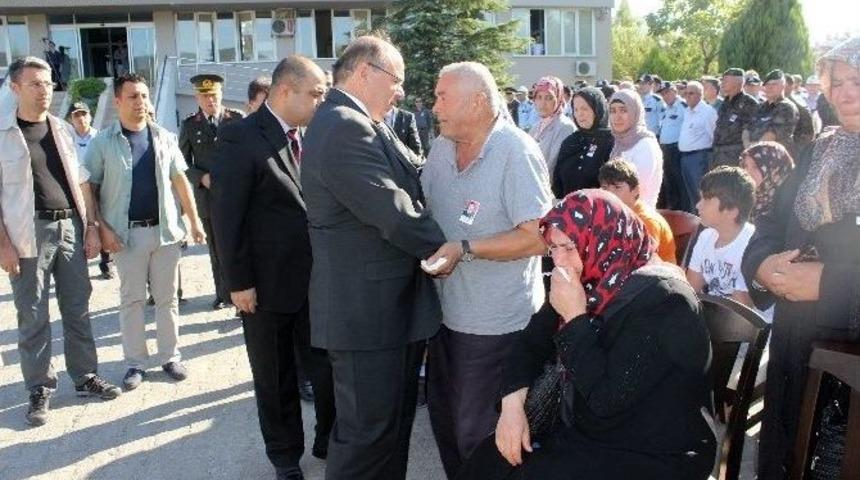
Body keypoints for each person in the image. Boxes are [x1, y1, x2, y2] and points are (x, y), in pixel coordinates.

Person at [456, 189, 716, 480]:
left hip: (650, 449)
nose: (559, 260)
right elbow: (528, 344)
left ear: (603, 240)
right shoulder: (593, 279)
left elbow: (606, 400)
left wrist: (575, 317)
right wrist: (512, 407)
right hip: (589, 429)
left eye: (568, 247)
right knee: (487, 461)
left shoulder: (666, 301)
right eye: (552, 248)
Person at [301, 36, 448, 480]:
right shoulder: (344, 123)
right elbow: (395, 213)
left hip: (384, 312)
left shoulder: (361, 119)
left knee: (390, 433)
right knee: (367, 439)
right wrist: (450, 248)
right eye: (396, 80)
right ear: (365, 71)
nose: (400, 91)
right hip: (366, 317)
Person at [420, 62, 552, 478]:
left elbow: (539, 237)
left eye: (443, 96)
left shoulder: (516, 151)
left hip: (496, 326)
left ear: (477, 101)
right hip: (442, 316)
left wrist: (466, 248)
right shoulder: (441, 146)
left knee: (478, 435)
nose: (434, 104)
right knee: (444, 421)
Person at [741, 37, 860, 480]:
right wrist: (761, 265)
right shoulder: (818, 149)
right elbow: (771, 222)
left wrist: (829, 286)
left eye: (857, 80)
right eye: (838, 81)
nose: (847, 92)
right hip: (795, 350)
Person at [211, 56, 334, 480]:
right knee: (276, 375)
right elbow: (226, 218)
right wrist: (238, 283)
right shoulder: (239, 137)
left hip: (313, 282)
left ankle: (326, 439)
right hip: (263, 287)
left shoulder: (308, 137)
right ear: (286, 91)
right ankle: (285, 457)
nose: (321, 101)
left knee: (324, 367)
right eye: (315, 93)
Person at [1, 57, 121, 426]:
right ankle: (39, 387)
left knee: (78, 307)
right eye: (35, 84)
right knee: (33, 313)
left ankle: (85, 376)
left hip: (70, 225)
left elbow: (81, 181)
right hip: (27, 233)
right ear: (15, 88)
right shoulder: (3, 134)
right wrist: (3, 244)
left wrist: (92, 227)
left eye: (49, 83)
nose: (45, 91)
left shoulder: (62, 129)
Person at [84, 73, 206, 391]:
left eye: (144, 95)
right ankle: (136, 363)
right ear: (118, 101)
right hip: (126, 237)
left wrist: (194, 222)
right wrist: (99, 229)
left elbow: (180, 181)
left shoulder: (164, 137)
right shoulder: (101, 143)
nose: (141, 102)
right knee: (132, 301)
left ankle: (170, 356)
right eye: (133, 96)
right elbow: (90, 190)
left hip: (165, 233)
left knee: (168, 299)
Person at [178, 74, 244, 311]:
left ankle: (242, 293)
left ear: (221, 95)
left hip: (237, 196)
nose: (210, 101)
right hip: (208, 197)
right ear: (197, 97)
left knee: (239, 245)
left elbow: (247, 155)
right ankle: (223, 294)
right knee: (216, 248)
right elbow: (182, 163)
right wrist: (200, 177)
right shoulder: (189, 124)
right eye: (205, 96)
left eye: (214, 95)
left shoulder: (236, 119)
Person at [685, 166, 756, 308]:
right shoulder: (706, 237)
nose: (698, 205)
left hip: (741, 323)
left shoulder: (752, 244)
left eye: (706, 199)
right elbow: (691, 290)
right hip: (715, 315)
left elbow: (740, 312)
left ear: (731, 211)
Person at [599, 159, 677, 264]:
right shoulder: (611, 215)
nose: (610, 193)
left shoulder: (647, 221)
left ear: (635, 190)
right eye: (604, 188)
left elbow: (643, 264)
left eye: (617, 187)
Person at [552, 87, 614, 197]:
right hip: (568, 209)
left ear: (597, 109)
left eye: (584, 108)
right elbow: (557, 182)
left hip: (600, 211)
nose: (579, 114)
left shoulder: (610, 141)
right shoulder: (570, 141)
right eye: (576, 109)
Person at [607, 90, 663, 208]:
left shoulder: (645, 145)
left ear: (635, 112)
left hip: (638, 218)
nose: (617, 117)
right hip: (619, 213)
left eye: (623, 110)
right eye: (613, 111)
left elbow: (634, 191)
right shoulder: (619, 143)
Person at [678, 81, 718, 211]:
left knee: (700, 194)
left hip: (699, 158)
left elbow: (714, 136)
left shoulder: (707, 112)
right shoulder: (687, 111)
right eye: (685, 94)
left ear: (700, 95)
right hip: (685, 157)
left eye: (691, 93)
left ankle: (704, 225)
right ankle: (694, 223)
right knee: (691, 195)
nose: (687, 96)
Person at [528, 76, 576, 181]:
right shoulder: (535, 128)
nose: (542, 103)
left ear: (558, 99)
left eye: (549, 98)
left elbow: (552, 166)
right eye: (539, 97)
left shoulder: (565, 127)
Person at [712, 68, 760, 169]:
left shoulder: (749, 103)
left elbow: (751, 132)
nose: (722, 84)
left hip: (735, 156)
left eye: (725, 81)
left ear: (737, 82)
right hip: (718, 154)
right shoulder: (725, 102)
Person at [738, 142, 795, 225]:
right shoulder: (743, 199)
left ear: (774, 168)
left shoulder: (790, 206)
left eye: (756, 166)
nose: (747, 172)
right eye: (745, 166)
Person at [748, 70, 799, 153]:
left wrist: (751, 151)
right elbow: (747, 129)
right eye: (767, 84)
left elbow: (771, 135)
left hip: (775, 157)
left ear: (783, 86)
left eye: (774, 84)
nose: (770, 87)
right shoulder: (760, 107)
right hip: (755, 155)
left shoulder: (786, 107)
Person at [656, 81, 687, 210]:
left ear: (674, 91)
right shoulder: (667, 108)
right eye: (663, 93)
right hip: (665, 149)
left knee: (679, 181)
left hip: (676, 149)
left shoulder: (683, 106)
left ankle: (682, 209)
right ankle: (672, 208)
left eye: (667, 92)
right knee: (668, 181)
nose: (665, 96)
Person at [783, 74, 816, 154]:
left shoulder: (799, 105)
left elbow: (809, 133)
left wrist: (797, 150)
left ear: (790, 86)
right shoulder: (769, 105)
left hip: (793, 151)